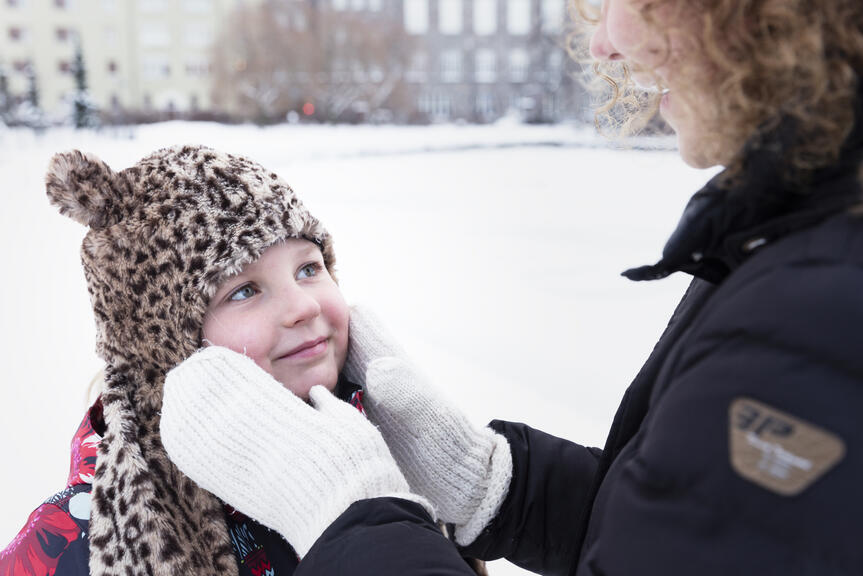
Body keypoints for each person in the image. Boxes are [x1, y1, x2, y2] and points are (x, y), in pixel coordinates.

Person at [158, 0, 863, 574]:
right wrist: (495, 487)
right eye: (243, 290)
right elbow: (695, 530)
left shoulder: (816, 311)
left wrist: (356, 525)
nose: (605, 42)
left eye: (310, 268)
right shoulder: (797, 240)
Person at [0, 145, 486, 576]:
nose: (304, 306)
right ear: (164, 345)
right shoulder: (77, 541)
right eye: (244, 290)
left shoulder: (404, 451)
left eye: (309, 268)